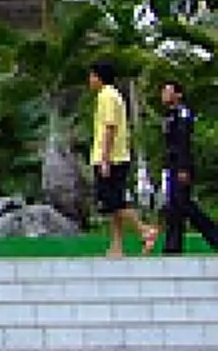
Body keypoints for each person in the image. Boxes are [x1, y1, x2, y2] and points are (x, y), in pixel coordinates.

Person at [87, 61, 156, 258]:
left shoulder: (107, 96)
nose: (90, 80)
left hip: (112, 158)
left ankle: (144, 230)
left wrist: (105, 159)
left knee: (113, 201)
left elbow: (110, 127)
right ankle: (117, 246)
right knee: (113, 205)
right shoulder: (111, 95)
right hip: (116, 157)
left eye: (92, 76)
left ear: (99, 77)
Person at [153, 79, 218, 256]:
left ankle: (214, 236)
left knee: (185, 205)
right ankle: (172, 247)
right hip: (172, 165)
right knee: (174, 207)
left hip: (181, 165)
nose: (164, 95)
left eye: (168, 91)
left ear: (178, 95)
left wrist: (183, 167)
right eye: (163, 91)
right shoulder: (169, 115)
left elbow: (183, 142)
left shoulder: (182, 114)